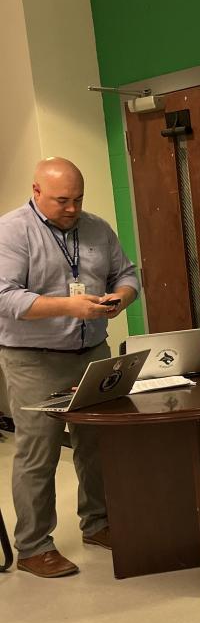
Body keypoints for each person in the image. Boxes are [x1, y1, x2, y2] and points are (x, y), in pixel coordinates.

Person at [0, 158, 140, 577]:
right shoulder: (12, 231)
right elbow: (5, 297)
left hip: (91, 353)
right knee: (39, 453)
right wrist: (68, 306)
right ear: (37, 191)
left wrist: (121, 298)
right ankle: (33, 547)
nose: (73, 208)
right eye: (63, 200)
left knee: (96, 445)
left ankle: (97, 524)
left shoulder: (97, 228)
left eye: (78, 199)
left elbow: (127, 275)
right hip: (34, 360)